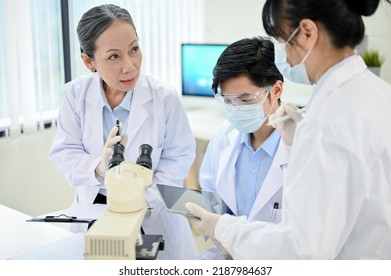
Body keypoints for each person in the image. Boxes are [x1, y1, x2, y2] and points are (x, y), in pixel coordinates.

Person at [186, 0, 391, 259]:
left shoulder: (326, 119)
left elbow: (303, 251)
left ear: (307, 32)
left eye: (281, 39)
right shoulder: (379, 94)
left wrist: (223, 228)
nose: (280, 52)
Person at [48, 4, 198, 260]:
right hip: (93, 217)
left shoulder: (165, 98)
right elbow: (65, 152)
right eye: (114, 56)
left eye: (134, 50)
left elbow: (179, 159)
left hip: (153, 218)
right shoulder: (74, 95)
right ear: (89, 61)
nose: (130, 66)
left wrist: (137, 199)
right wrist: (98, 166)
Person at [198, 37, 286, 259]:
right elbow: (211, 197)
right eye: (228, 101)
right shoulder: (223, 137)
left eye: (245, 100)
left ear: (275, 90)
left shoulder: (300, 148)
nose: (235, 109)